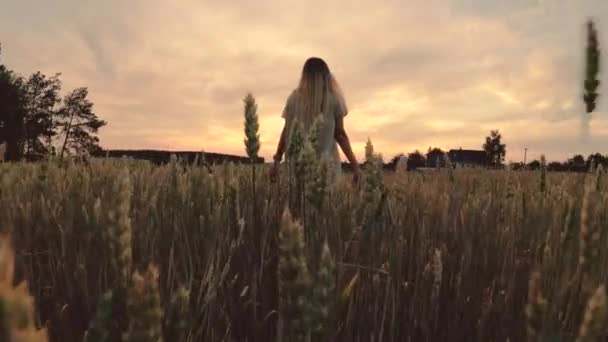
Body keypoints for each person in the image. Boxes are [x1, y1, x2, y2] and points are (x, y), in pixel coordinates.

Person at [270, 57, 360, 186]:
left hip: (296, 169)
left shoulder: (293, 98)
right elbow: (340, 135)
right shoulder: (334, 100)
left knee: (298, 204)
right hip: (325, 171)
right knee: (324, 203)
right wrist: (355, 166)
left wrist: (276, 162)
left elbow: (286, 132)